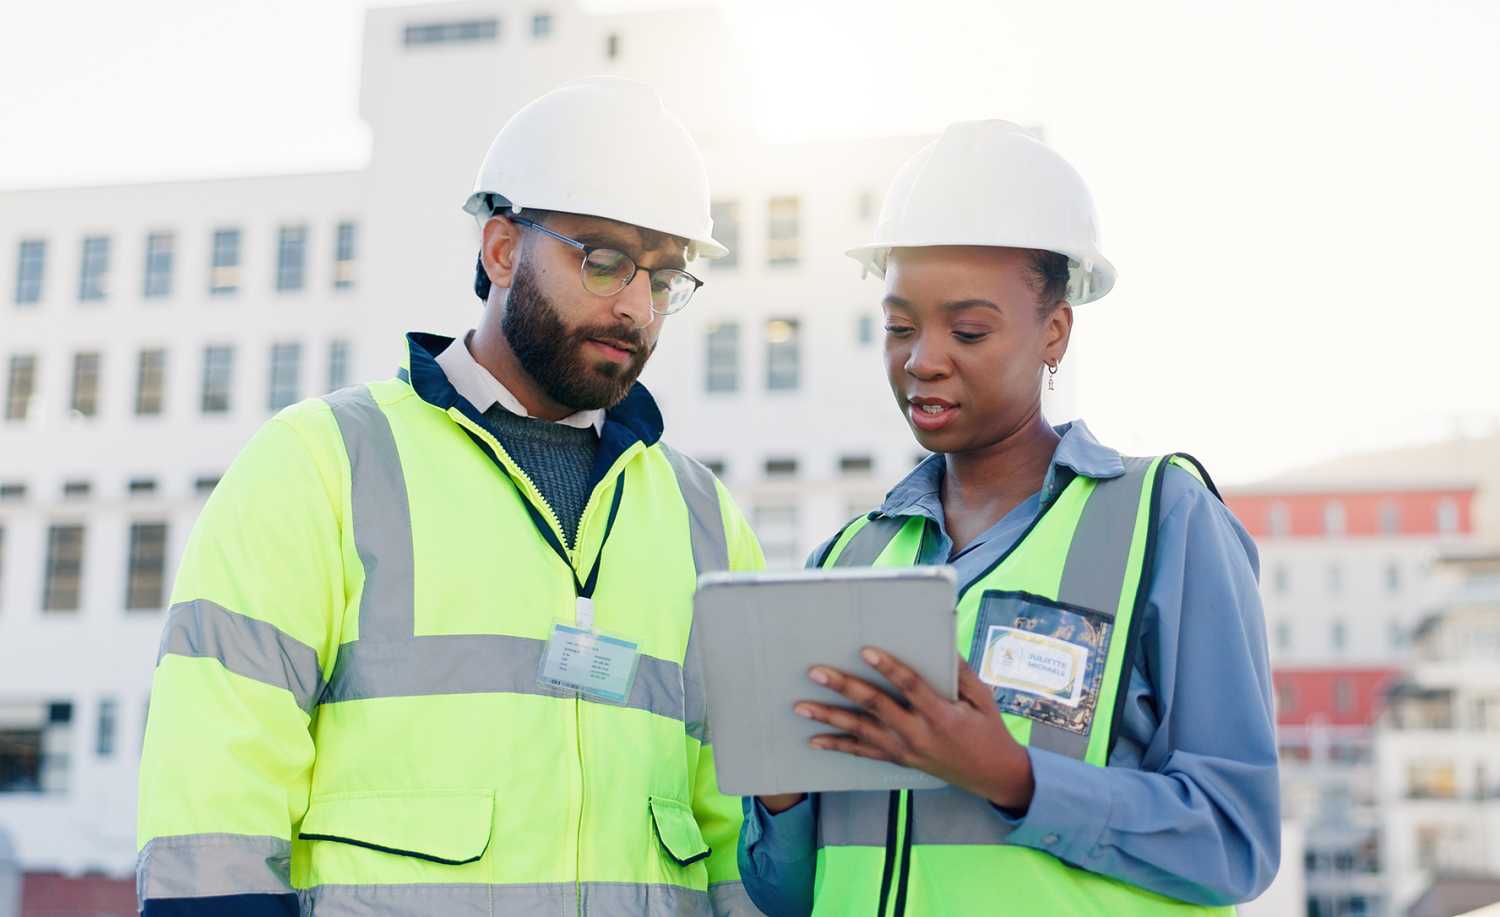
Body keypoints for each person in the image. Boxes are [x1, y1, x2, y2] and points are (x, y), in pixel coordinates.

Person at [136, 78, 765, 917]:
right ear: (501, 249)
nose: (636, 307)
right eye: (605, 259)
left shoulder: (704, 517)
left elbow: (739, 830)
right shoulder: (322, 462)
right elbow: (215, 790)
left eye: (664, 277)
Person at [736, 120, 1280, 916]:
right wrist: (780, 800)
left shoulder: (1164, 521)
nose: (922, 358)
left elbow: (1238, 839)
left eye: (968, 330)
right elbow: (787, 897)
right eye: (898, 326)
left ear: (1054, 332)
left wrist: (1014, 778)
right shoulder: (846, 557)